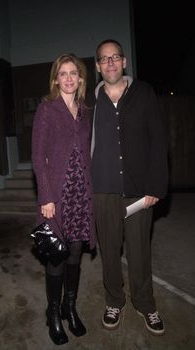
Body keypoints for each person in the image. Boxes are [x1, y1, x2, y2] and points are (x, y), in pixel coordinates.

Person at [91, 39, 168, 336]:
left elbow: (158, 142)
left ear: (124, 62)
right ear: (98, 67)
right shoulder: (91, 101)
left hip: (139, 190)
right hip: (103, 190)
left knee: (139, 252)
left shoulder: (143, 93)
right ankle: (114, 301)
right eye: (104, 59)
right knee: (109, 251)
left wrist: (155, 186)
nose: (110, 63)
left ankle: (145, 303)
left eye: (115, 57)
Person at [32, 53, 96, 345]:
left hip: (81, 195)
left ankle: (70, 307)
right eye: (63, 73)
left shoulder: (85, 112)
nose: (69, 78)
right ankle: (54, 313)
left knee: (74, 254)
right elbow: (37, 156)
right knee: (55, 257)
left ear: (81, 78)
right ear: (56, 79)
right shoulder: (47, 109)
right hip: (56, 196)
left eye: (74, 73)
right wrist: (45, 195)